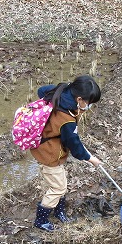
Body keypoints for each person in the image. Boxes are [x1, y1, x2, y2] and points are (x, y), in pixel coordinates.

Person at [30, 75, 102, 232]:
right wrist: (91, 159)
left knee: (60, 181)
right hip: (49, 153)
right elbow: (74, 145)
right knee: (58, 188)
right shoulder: (66, 119)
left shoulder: (60, 91)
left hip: (47, 144)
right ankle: (40, 220)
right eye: (88, 103)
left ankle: (59, 211)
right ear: (79, 99)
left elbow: (41, 90)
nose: (89, 106)